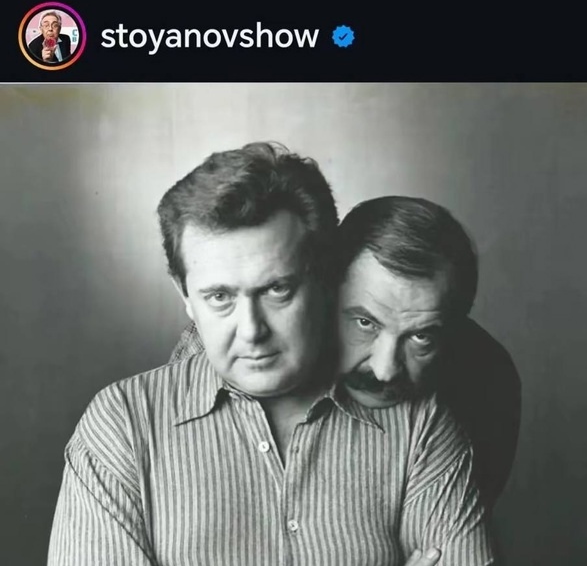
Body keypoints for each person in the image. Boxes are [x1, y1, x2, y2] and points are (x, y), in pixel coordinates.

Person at [47, 142, 496, 566]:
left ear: (323, 278)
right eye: (219, 297)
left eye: (277, 289)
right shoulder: (121, 426)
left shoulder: (421, 426)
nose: (251, 330)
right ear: (186, 298)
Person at [171, 195, 521, 510]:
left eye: (421, 338)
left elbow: (447, 541)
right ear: (322, 293)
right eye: (365, 323)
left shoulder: (489, 383)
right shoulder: (234, 350)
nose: (385, 370)